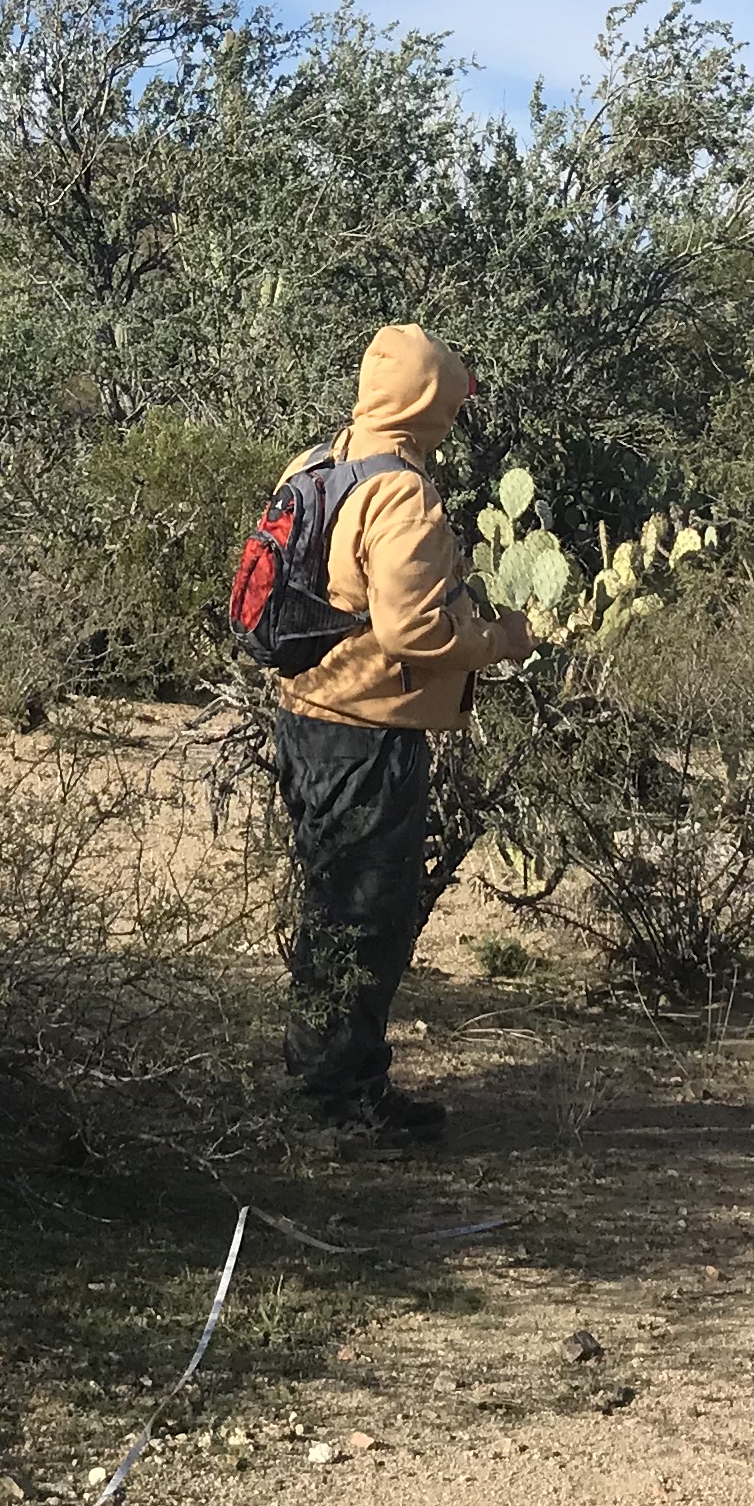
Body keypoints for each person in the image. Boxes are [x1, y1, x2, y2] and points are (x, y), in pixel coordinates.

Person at [267, 324, 534, 1142]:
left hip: (305, 718)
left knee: (331, 908)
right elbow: (413, 631)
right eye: (451, 399)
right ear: (427, 403)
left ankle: (321, 1082)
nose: (455, 415)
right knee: (366, 917)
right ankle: (344, 1103)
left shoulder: (314, 463)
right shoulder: (403, 495)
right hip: (370, 738)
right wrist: (501, 640)